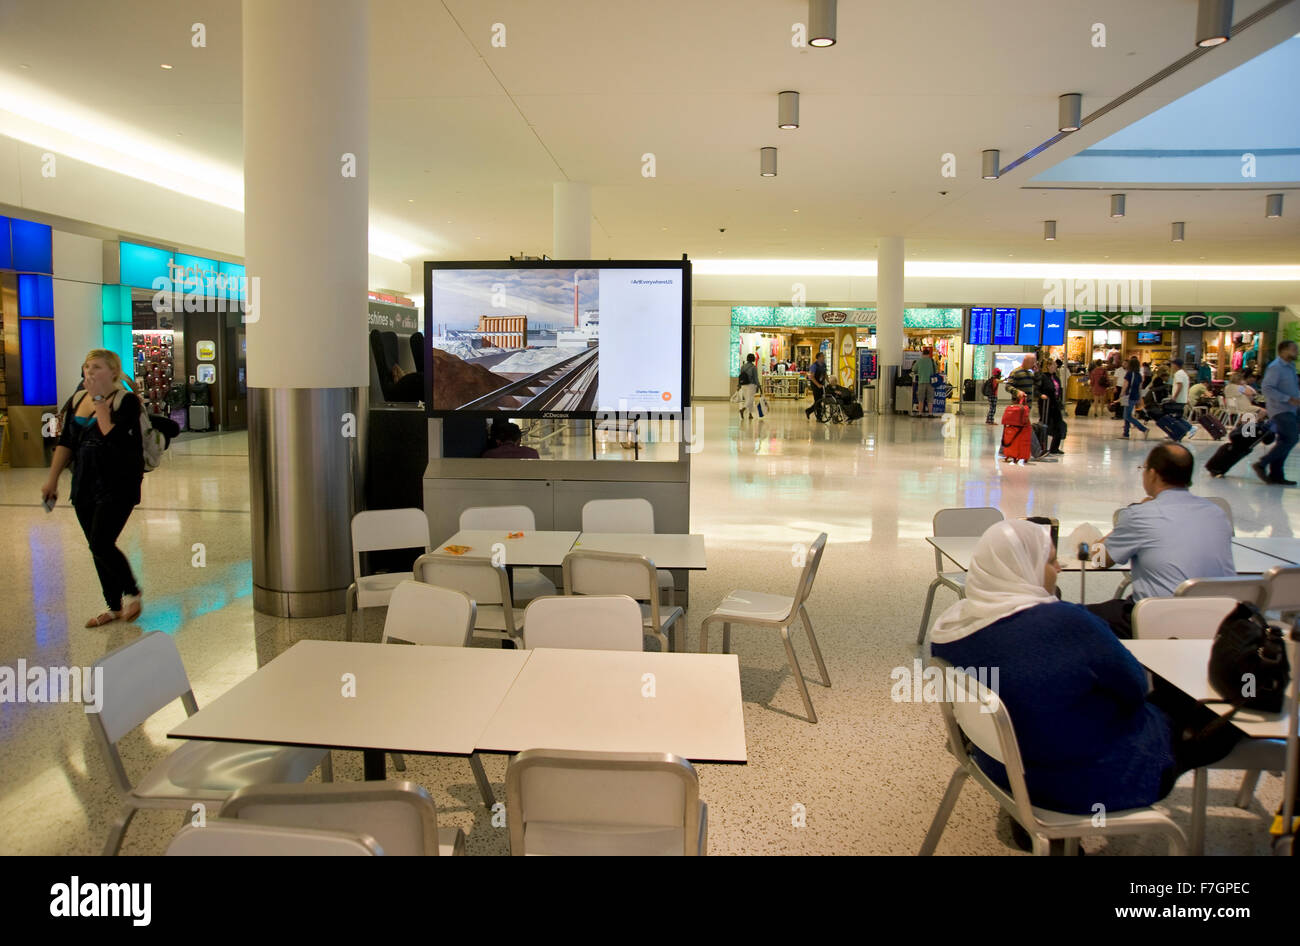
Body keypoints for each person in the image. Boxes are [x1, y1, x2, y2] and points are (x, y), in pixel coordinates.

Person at [929, 519, 1239, 831]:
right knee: (1203, 718)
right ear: (1025, 567)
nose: (1059, 568)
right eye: (1050, 561)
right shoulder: (1068, 624)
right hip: (1085, 785)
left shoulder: (949, 628)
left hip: (1002, 770)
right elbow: (1135, 687)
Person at [41, 350, 145, 628]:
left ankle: (132, 592)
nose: (90, 372)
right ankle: (114, 606)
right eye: (87, 367)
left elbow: (111, 436)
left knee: (101, 541)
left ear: (113, 372)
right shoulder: (77, 399)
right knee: (96, 547)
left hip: (118, 483)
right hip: (84, 482)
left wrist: (99, 400)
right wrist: (52, 480)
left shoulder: (127, 401)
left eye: (97, 367)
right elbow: (66, 443)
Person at [1086, 444, 1234, 638]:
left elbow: (1099, 560)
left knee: (1076, 618)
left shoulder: (1140, 515)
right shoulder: (1216, 513)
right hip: (1217, 621)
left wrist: (1119, 527)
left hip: (1159, 620)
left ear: (1153, 474)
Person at [1252, 339, 1299, 486]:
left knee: (1284, 440)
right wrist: (1287, 399)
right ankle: (1262, 463)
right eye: (1293, 349)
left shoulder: (1290, 367)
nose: (1296, 352)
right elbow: (1267, 388)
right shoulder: (1276, 367)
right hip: (1280, 409)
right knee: (1291, 438)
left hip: (1291, 409)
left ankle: (1277, 474)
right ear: (1283, 351)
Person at [1038, 363, 1066, 455]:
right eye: (1053, 365)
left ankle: (1054, 448)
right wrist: (1041, 395)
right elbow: (1037, 389)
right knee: (1044, 424)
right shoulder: (1043, 377)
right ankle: (1041, 446)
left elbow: (1059, 390)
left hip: (1055, 403)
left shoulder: (1056, 378)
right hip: (1046, 404)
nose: (1055, 367)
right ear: (1048, 366)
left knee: (1059, 424)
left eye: (1055, 366)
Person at [1119, 357, 1148, 439]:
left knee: (1127, 416)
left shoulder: (1129, 374)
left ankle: (1143, 429)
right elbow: (1140, 388)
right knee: (1127, 414)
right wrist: (1140, 398)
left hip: (1128, 396)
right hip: (1135, 396)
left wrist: (1121, 393)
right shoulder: (1139, 375)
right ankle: (1126, 433)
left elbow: (1125, 385)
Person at [1000, 391, 1032, 465]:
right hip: (1022, 417)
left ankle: (1007, 452)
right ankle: (1019, 454)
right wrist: (1017, 391)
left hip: (1017, 417)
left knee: (1011, 435)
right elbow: (1008, 387)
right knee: (1025, 432)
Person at [737, 353, 761, 422]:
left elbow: (740, 376)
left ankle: (750, 414)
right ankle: (743, 409)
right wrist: (759, 385)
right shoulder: (753, 367)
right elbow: (756, 378)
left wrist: (739, 385)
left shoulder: (743, 366)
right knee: (750, 399)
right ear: (753, 359)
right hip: (751, 385)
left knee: (748, 399)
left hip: (743, 385)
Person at [913, 348, 937, 416]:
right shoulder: (932, 361)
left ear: (922, 354)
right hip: (931, 383)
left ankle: (920, 413)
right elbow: (936, 370)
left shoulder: (919, 361)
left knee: (921, 398)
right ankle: (930, 413)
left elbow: (914, 369)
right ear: (929, 354)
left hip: (921, 382)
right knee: (930, 399)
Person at [804, 351, 828, 419]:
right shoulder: (814, 366)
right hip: (815, 385)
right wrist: (817, 385)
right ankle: (818, 416)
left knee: (820, 400)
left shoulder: (824, 365)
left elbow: (825, 374)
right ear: (819, 357)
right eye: (822, 356)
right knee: (818, 401)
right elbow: (811, 377)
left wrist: (829, 381)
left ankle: (809, 411)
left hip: (821, 384)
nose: (824, 358)